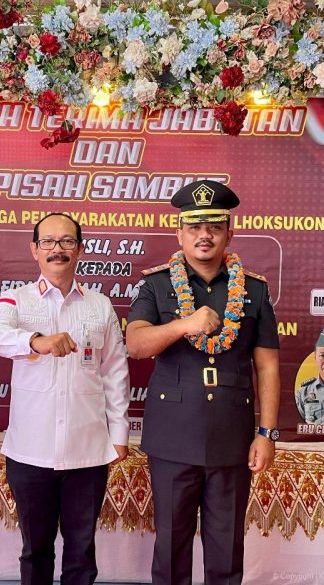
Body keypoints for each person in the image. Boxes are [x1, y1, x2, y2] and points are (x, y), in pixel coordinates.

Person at [126, 180, 281, 585]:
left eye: (214, 225)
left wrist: (266, 433)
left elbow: (266, 367)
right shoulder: (157, 284)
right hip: (173, 437)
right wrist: (183, 324)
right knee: (171, 546)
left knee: (226, 549)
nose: (204, 234)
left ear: (229, 232)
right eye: (194, 226)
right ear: (180, 233)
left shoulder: (254, 289)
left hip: (232, 438)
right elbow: (136, 344)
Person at [0, 213, 130, 585]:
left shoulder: (99, 305)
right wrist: (37, 341)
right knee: (35, 550)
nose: (57, 250)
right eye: (48, 242)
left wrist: (120, 434)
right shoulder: (14, 299)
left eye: (67, 242)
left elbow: (115, 372)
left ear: (80, 250)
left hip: (88, 451)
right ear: (34, 250)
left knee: (81, 551)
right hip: (29, 452)